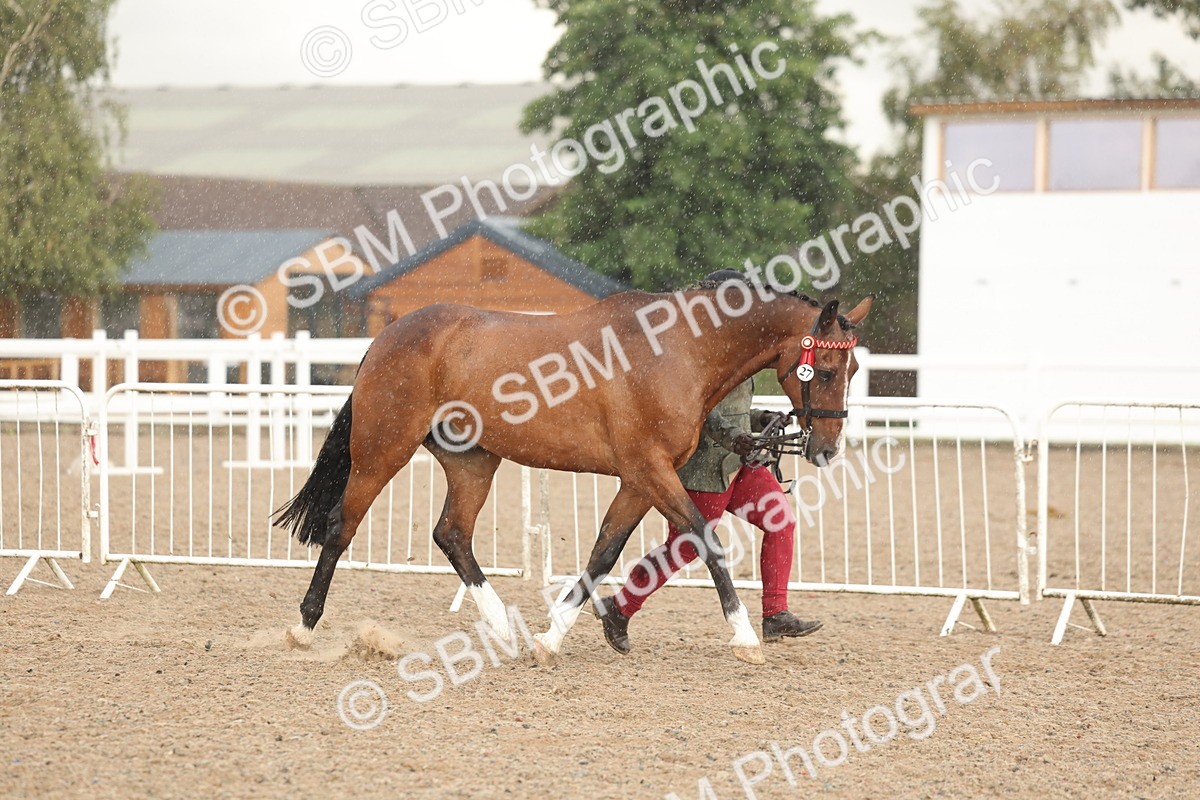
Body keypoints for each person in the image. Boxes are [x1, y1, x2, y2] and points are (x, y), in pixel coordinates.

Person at [595, 272, 823, 654]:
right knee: (683, 546)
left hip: (740, 464)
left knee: (780, 522)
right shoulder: (695, 352)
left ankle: (775, 613)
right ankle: (619, 607)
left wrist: (760, 418)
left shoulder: (743, 348)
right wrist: (730, 436)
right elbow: (698, 412)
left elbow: (734, 410)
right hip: (704, 465)